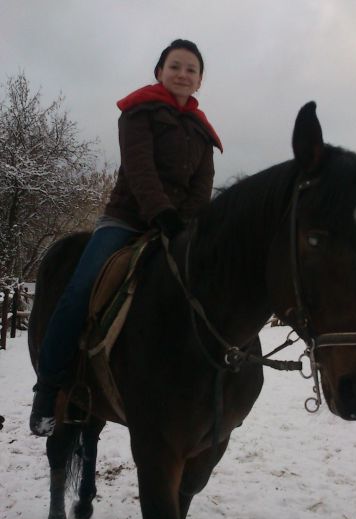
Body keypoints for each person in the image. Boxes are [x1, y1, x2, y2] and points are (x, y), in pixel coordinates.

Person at [30, 39, 222, 436]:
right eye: (175, 66)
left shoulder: (203, 132)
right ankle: (48, 386)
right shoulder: (139, 112)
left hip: (176, 226)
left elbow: (202, 186)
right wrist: (161, 214)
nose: (182, 74)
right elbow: (140, 170)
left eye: (191, 69)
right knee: (80, 290)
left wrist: (187, 224)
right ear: (159, 72)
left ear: (200, 81)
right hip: (127, 219)